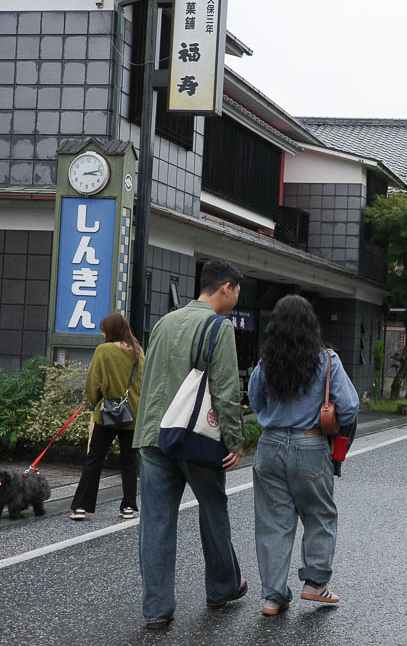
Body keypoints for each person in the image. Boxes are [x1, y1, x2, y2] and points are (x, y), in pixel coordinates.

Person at [132, 260, 247, 630]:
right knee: (213, 510)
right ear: (226, 288)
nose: (236, 299)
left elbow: (150, 378)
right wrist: (236, 440)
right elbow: (227, 391)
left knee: (155, 523)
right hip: (195, 439)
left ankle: (156, 610)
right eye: (237, 292)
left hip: (153, 436)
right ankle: (222, 587)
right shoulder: (220, 327)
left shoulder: (164, 322)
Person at [248, 295, 359, 616]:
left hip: (269, 447)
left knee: (272, 523)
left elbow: (255, 402)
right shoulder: (327, 359)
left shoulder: (267, 361)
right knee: (319, 515)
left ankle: (272, 597)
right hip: (310, 446)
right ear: (311, 325)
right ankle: (314, 584)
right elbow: (350, 407)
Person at [68, 313, 144, 521]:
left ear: (111, 330)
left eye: (104, 330)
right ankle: (128, 506)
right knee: (129, 461)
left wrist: (94, 401)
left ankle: (81, 506)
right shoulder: (138, 351)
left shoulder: (104, 351)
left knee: (94, 458)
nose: (102, 334)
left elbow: (93, 382)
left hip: (109, 413)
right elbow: (142, 383)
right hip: (133, 414)